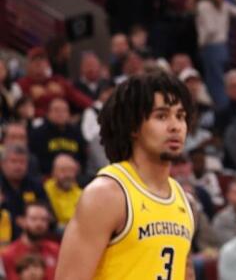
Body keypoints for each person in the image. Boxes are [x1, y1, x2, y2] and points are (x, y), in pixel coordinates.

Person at [57, 72, 195, 280]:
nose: (175, 126)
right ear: (133, 127)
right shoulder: (106, 194)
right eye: (161, 116)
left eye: (180, 116)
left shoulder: (183, 199)